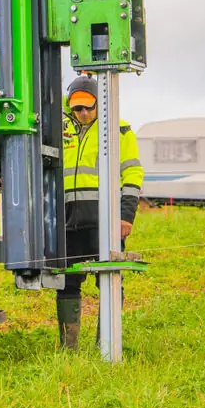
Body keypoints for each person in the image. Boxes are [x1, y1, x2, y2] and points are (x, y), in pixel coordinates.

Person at [56, 76, 143, 350]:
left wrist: (126, 215)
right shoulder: (58, 129)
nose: (82, 113)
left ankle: (106, 343)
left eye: (88, 108)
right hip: (67, 220)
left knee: (109, 279)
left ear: (99, 103)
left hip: (105, 220)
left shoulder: (120, 130)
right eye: (77, 108)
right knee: (67, 282)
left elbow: (132, 173)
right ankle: (68, 347)